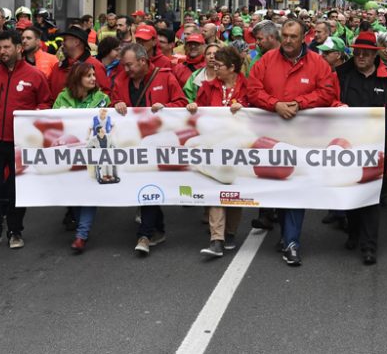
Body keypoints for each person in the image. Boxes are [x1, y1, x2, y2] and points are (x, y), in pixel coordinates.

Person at [247, 19, 339, 266]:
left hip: (302, 138)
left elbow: (328, 91)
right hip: (270, 138)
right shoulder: (265, 61)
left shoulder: (318, 63)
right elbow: (252, 90)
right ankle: (284, 233)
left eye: (293, 36)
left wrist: (300, 104)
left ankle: (291, 241)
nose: (288, 40)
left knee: (297, 187)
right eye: (285, 35)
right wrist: (274, 104)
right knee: (277, 187)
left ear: (303, 38)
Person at [0, 30, 53, 252]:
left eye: (7, 47)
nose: (2, 51)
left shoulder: (35, 75)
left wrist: (34, 119)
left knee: (17, 189)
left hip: (22, 143)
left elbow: (46, 103)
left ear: (19, 48)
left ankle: (15, 230)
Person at [110, 43, 188, 256]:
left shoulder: (165, 77)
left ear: (143, 61)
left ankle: (144, 234)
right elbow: (112, 102)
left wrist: (166, 108)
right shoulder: (120, 80)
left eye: (129, 65)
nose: (126, 70)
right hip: (133, 145)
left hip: (159, 143)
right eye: (124, 66)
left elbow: (182, 102)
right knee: (143, 186)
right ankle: (158, 229)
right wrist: (116, 103)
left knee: (149, 185)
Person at [335, 31, 387, 265]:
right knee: (352, 196)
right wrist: (337, 105)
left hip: (378, 151)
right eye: (357, 52)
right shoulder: (342, 75)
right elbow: (329, 101)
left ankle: (369, 247)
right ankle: (354, 231)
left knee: (371, 199)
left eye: (366, 52)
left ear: (375, 54)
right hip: (347, 150)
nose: (361, 56)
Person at [189, 45, 248, 258]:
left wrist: (244, 107)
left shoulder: (247, 87)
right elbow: (200, 108)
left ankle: (230, 233)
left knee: (233, 189)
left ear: (232, 68)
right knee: (215, 188)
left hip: (238, 146)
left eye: (220, 65)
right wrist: (194, 107)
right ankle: (216, 239)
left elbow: (256, 110)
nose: (215, 68)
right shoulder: (207, 86)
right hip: (213, 145)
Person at [52, 62, 112, 252]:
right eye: (89, 76)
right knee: (74, 192)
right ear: (78, 78)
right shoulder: (62, 98)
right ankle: (81, 227)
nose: (94, 79)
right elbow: (54, 121)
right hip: (69, 155)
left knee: (89, 192)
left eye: (94, 75)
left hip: (93, 154)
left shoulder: (103, 99)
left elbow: (110, 125)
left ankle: (81, 235)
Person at [49, 27, 111, 97]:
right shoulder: (57, 67)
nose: (62, 43)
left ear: (76, 42)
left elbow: (104, 95)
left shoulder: (96, 66)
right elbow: (49, 94)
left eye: (65, 40)